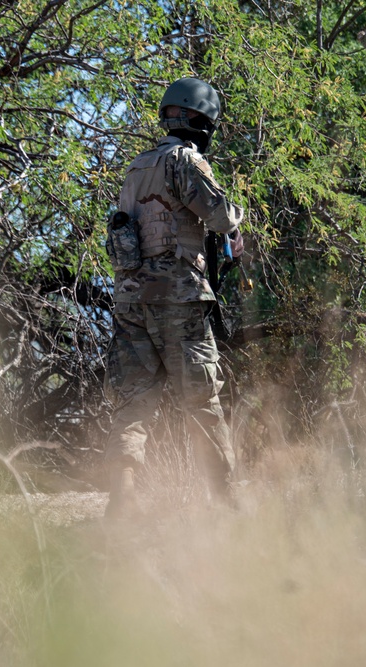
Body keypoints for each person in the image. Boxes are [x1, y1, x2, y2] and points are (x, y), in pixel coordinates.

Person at [103, 77, 244, 518]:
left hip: (130, 301)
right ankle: (226, 504)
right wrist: (236, 222)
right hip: (179, 299)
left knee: (133, 402)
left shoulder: (136, 165)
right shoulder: (185, 161)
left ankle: (121, 501)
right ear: (202, 121)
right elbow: (219, 216)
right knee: (202, 399)